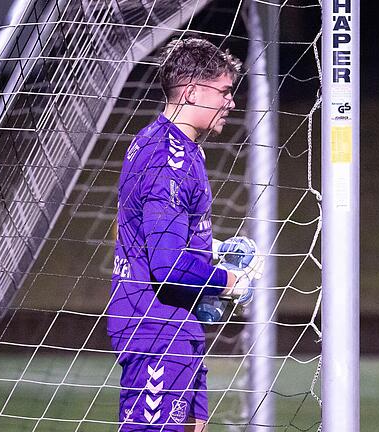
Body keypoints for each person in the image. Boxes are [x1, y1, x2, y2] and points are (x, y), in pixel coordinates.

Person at [107, 38, 263, 431]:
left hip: (178, 326)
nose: (231, 102)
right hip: (156, 328)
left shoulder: (176, 146)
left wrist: (214, 248)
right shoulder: (167, 161)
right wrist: (231, 281)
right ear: (193, 90)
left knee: (195, 427)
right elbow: (169, 265)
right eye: (225, 91)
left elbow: (160, 233)